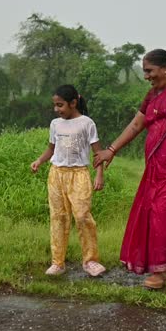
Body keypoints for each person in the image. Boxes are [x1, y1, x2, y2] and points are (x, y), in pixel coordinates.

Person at [93, 49, 166, 289]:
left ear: (165, 67)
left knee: (164, 210)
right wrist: (112, 149)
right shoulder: (153, 95)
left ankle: (160, 270)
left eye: (149, 70)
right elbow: (137, 124)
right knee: (158, 211)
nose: (146, 76)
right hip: (157, 161)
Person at [30, 85, 107, 277]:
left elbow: (98, 153)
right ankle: (58, 262)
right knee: (58, 217)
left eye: (60, 105)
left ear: (73, 103)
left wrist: (99, 175)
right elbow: (51, 149)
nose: (56, 109)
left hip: (79, 175)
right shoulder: (55, 124)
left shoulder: (87, 123)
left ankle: (90, 261)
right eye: (55, 105)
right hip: (56, 175)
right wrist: (39, 161)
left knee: (82, 216)